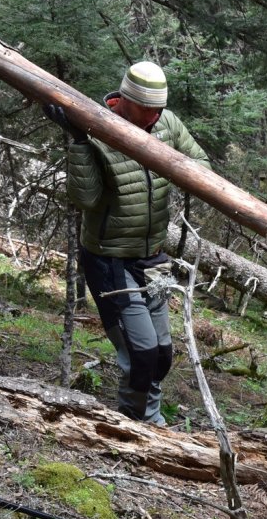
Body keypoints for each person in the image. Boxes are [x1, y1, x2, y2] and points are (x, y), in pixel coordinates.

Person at [45, 61, 211, 426]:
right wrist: (78, 141)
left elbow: (202, 165)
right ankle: (140, 425)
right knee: (141, 352)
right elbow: (85, 199)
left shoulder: (167, 125)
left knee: (163, 354)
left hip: (153, 255)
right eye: (146, 109)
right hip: (110, 260)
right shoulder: (97, 129)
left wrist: (174, 163)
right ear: (124, 99)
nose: (154, 116)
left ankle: (145, 413)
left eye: (159, 109)